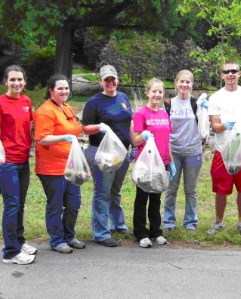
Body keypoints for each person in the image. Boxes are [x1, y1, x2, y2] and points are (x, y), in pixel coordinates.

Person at [82, 65, 134, 247]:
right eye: (106, 80)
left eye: (113, 79)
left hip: (122, 153)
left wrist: (134, 144)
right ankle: (101, 232)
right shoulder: (94, 102)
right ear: (101, 82)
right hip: (102, 153)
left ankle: (118, 224)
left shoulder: (123, 98)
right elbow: (85, 127)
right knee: (102, 192)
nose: (110, 83)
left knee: (115, 191)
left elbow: (130, 121)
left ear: (117, 80)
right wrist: (99, 127)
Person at [34, 74, 85, 254]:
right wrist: (63, 137)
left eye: (66, 88)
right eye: (60, 89)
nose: (64, 91)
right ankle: (56, 240)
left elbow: (76, 128)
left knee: (73, 203)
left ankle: (69, 236)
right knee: (55, 204)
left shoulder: (67, 108)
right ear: (51, 91)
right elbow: (41, 139)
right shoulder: (45, 111)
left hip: (71, 165)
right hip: (52, 167)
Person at [0, 65, 36, 264]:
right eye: (12, 80)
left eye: (20, 79)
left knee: (19, 206)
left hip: (23, 159)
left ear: (24, 81)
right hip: (6, 161)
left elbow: (30, 127)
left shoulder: (26, 101)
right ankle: (10, 252)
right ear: (5, 82)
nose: (17, 83)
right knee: (11, 205)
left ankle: (19, 241)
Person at [206, 61, 241, 236]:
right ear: (221, 75)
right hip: (224, 150)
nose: (230, 74)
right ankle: (219, 221)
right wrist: (223, 126)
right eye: (226, 72)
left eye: (233, 71)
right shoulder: (215, 98)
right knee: (221, 188)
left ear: (239, 74)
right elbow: (214, 125)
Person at [131, 78, 176, 248]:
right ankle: (141, 232)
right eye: (154, 91)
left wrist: (171, 162)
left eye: (160, 92)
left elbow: (167, 141)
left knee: (156, 198)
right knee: (142, 199)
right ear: (147, 93)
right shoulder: (141, 114)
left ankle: (156, 231)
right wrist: (144, 135)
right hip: (146, 164)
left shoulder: (164, 114)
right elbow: (135, 141)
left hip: (161, 163)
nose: (157, 94)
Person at [163, 70, 207, 232]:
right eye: (181, 81)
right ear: (176, 83)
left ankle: (190, 222)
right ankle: (169, 222)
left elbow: (204, 128)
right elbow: (163, 128)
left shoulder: (196, 103)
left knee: (190, 190)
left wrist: (205, 111)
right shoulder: (168, 104)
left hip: (193, 152)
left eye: (188, 82)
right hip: (173, 153)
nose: (184, 85)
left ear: (192, 85)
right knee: (171, 189)